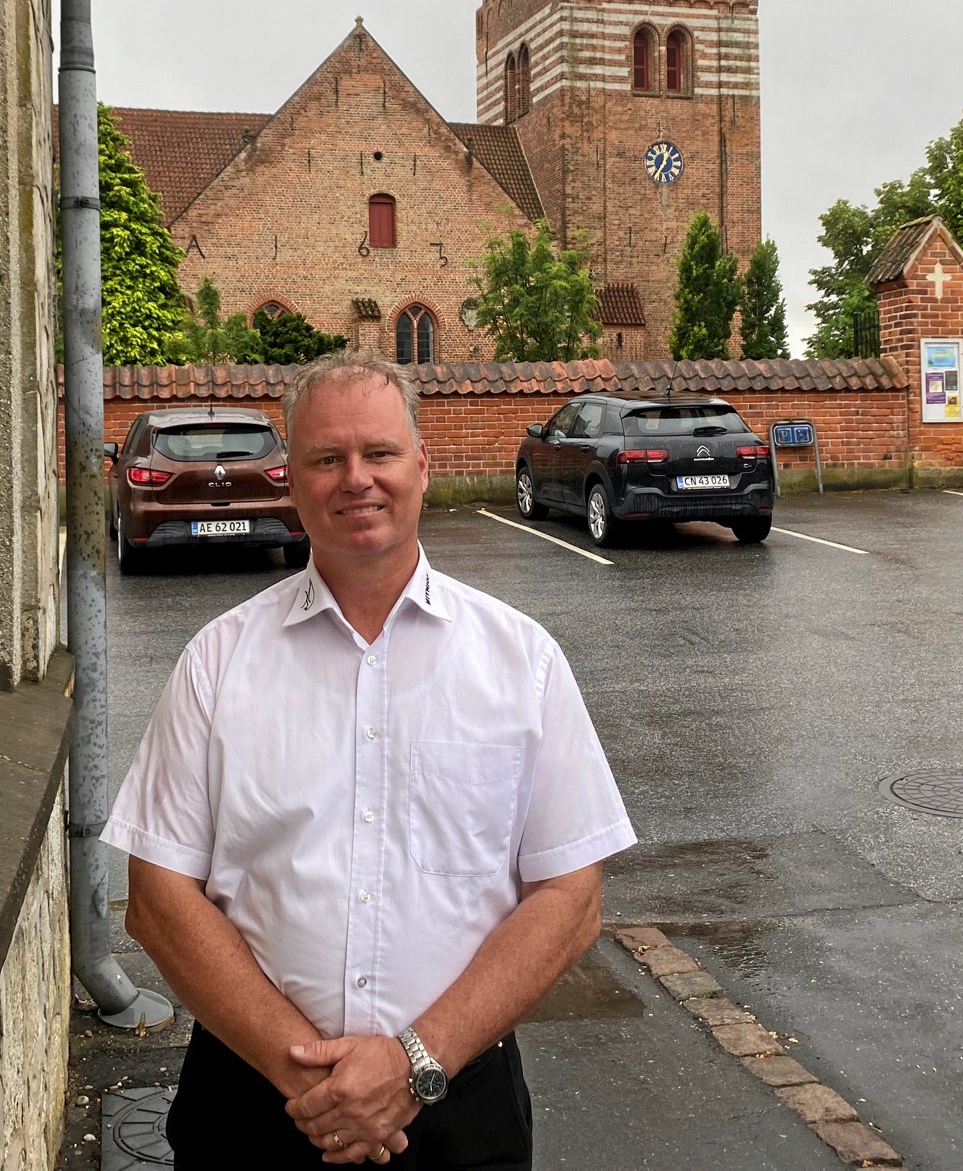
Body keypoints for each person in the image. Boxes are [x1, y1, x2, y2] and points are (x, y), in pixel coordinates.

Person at [103, 351, 636, 1169]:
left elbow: (571, 897)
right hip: (251, 1106)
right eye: (327, 457)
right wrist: (313, 1078)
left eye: (379, 453)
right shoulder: (218, 662)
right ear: (293, 476)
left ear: (421, 465)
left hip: (457, 1106)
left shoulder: (521, 660)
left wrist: (414, 1061)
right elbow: (157, 897)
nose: (357, 478)